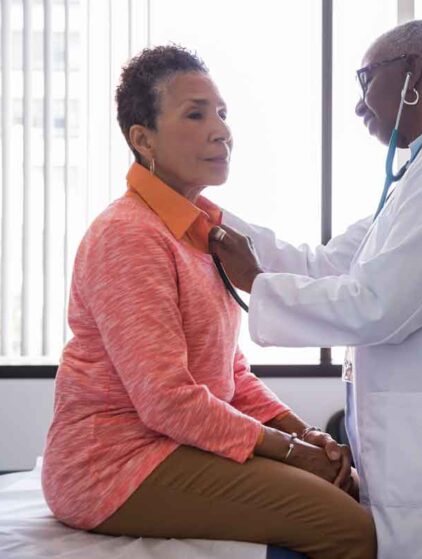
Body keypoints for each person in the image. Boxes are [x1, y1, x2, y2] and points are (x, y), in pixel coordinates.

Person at [211, 20, 422, 559]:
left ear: (413, 72)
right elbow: (323, 264)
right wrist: (206, 216)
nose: (358, 104)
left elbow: (383, 303)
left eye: (365, 79)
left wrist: (256, 283)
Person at [41, 45, 376, 559]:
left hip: (173, 445)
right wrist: (292, 453)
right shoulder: (127, 235)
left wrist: (303, 434)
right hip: (113, 464)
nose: (220, 130)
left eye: (222, 113)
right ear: (142, 138)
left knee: (346, 489)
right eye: (195, 114)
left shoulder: (203, 230)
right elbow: (168, 400)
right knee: (352, 530)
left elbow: (230, 373)